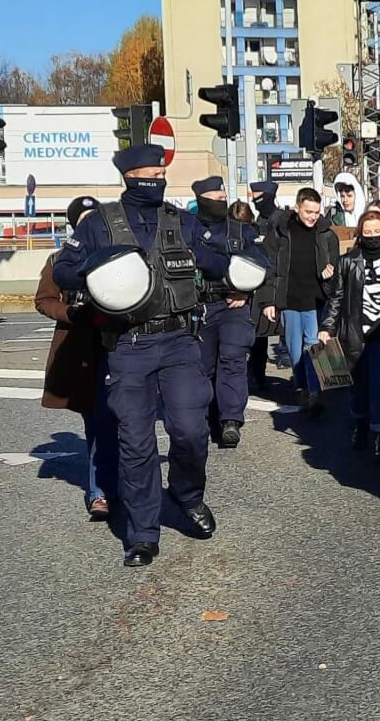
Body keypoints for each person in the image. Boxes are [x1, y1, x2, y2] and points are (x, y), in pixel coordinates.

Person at [51, 144, 252, 566]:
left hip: (179, 340)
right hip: (127, 344)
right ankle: (143, 532)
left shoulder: (182, 221)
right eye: (150, 174)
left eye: (161, 175)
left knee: (191, 430)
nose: (157, 180)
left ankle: (186, 493)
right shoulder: (99, 225)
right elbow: (63, 269)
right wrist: (98, 273)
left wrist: (242, 268)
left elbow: (217, 260)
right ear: (130, 176)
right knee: (135, 442)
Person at [36, 195, 116, 520]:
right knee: (97, 421)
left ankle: (126, 485)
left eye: (95, 218)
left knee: (126, 419)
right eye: (84, 220)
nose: (91, 225)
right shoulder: (59, 259)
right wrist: (69, 312)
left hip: (122, 344)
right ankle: (99, 493)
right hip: (82, 349)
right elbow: (43, 299)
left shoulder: (119, 255)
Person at [321, 208, 380, 464]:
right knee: (358, 383)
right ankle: (359, 423)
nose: (372, 236)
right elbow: (336, 297)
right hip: (355, 332)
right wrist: (327, 327)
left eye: (377, 232)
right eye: (367, 232)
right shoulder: (347, 262)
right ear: (360, 233)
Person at [189, 178, 267, 450]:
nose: (221, 199)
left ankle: (231, 419)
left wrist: (246, 291)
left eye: (223, 196)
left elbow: (261, 264)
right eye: (215, 196)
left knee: (233, 361)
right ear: (201, 198)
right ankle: (210, 417)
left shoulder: (239, 230)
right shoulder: (187, 228)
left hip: (233, 305)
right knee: (204, 367)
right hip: (200, 307)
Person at [270, 187, 337, 415]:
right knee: (294, 350)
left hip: (315, 298)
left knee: (314, 345)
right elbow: (271, 266)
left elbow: (336, 268)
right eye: (308, 211)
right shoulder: (281, 230)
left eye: (316, 212)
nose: (312, 216)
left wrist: (330, 273)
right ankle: (303, 386)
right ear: (297, 207)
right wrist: (270, 302)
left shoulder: (327, 234)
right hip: (289, 298)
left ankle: (315, 391)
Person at [244, 182, 284, 397]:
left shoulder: (282, 220)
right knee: (259, 335)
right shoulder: (258, 222)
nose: (255, 200)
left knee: (297, 338)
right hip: (262, 285)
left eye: (259, 196)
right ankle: (257, 375)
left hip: (285, 284)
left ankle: (308, 384)